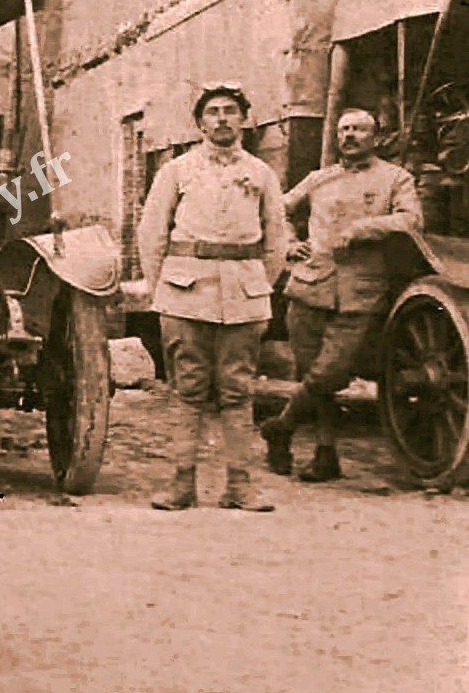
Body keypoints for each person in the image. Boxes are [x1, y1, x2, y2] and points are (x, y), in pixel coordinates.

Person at [137, 84, 287, 511]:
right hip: (185, 295)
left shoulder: (261, 173)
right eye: (213, 112)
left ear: (244, 120)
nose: (222, 119)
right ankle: (181, 484)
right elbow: (151, 234)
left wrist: (258, 284)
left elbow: (276, 238)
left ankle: (239, 486)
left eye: (231, 111)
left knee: (239, 392)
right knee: (189, 390)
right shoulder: (178, 171)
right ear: (200, 122)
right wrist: (162, 288)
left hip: (244, 295)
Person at [260, 108, 421, 480]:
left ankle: (281, 426)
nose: (349, 135)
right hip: (309, 285)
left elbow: (412, 220)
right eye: (344, 129)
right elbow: (276, 210)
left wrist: (365, 227)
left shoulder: (395, 178)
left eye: (359, 129)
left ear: (375, 137)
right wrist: (288, 243)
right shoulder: (319, 178)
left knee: (329, 373)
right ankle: (325, 453)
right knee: (309, 373)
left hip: (360, 290)